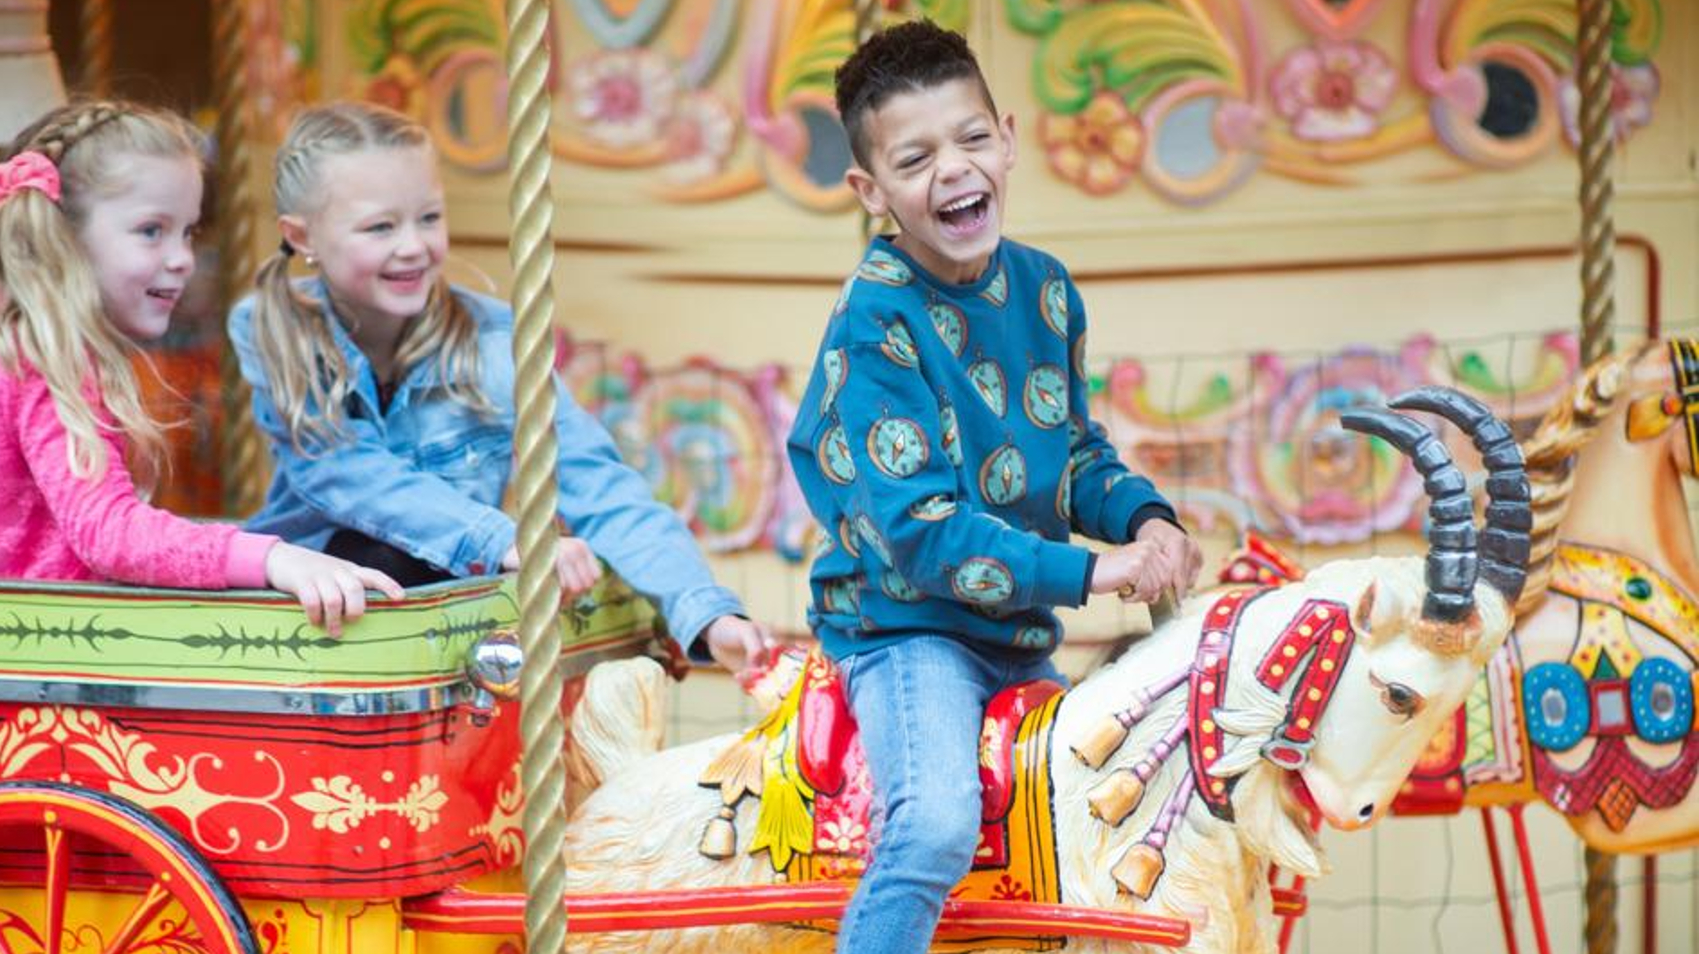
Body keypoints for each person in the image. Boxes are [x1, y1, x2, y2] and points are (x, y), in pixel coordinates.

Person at [786, 21, 1204, 951]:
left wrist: (1149, 518)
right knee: (934, 826)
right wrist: (1093, 575)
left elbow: (1074, 452)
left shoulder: (1046, 289)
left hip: (1018, 634)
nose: (954, 170)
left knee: (1095, 811)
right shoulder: (874, 318)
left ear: (1007, 139)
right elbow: (923, 533)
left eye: (971, 139)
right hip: (907, 631)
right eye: (915, 156)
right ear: (871, 190)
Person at [230, 101, 775, 672]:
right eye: (380, 227)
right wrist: (500, 539)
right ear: (302, 235)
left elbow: (598, 482)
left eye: (430, 218)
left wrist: (705, 614)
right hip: (313, 621)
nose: (414, 245)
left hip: (442, 621)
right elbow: (346, 473)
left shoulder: (492, 338)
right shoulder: (272, 329)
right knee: (376, 553)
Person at [0, 101, 402, 636]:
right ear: (64, 239)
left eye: (188, 232)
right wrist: (275, 560)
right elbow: (110, 533)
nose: (183, 257)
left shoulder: (19, 347)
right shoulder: (44, 360)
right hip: (34, 661)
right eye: (151, 231)